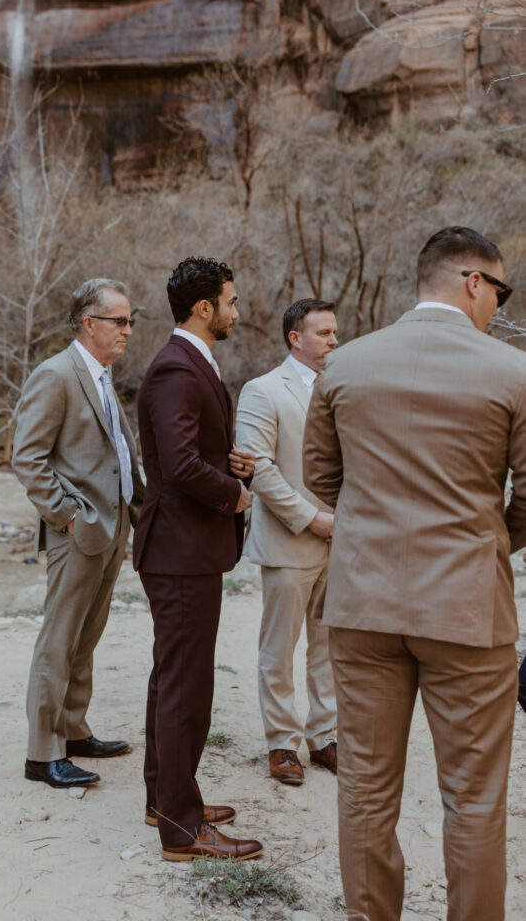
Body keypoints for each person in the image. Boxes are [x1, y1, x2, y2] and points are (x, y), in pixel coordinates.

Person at [302, 226, 526, 921]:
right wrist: (487, 540)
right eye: (500, 290)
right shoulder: (511, 371)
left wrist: (376, 533)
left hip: (363, 606)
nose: (499, 305)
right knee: (474, 795)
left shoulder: (344, 366)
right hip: (466, 609)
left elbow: (319, 478)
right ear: (470, 281)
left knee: (364, 789)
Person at [133, 256, 263, 862]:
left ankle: (166, 797)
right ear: (204, 308)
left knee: (174, 678)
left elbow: (191, 451)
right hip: (180, 550)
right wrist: (234, 494)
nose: (237, 312)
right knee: (186, 686)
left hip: (186, 549)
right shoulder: (175, 371)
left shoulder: (190, 363)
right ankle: (181, 829)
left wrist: (228, 463)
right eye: (231, 302)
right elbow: (180, 466)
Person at [12, 278, 144, 789]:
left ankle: (73, 730)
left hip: (114, 528)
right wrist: (67, 515)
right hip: (79, 529)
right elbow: (28, 457)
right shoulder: (56, 374)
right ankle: (42, 755)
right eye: (120, 321)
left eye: (130, 321)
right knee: (59, 639)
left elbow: (116, 452)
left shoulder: (102, 375)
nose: (128, 331)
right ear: (89, 324)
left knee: (86, 636)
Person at [236, 299, 338, 787]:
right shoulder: (261, 391)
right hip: (290, 538)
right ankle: (282, 743)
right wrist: (311, 519)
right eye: (323, 333)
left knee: (330, 646)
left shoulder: (344, 388)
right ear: (296, 338)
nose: (334, 340)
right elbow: (259, 470)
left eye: (335, 332)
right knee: (279, 648)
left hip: (343, 541)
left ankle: (326, 737)